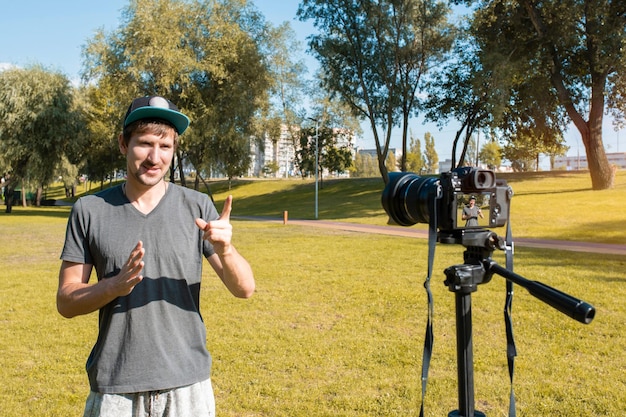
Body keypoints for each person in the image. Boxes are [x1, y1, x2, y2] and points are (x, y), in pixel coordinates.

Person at [57, 96, 255, 417]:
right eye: (145, 143)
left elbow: (244, 288)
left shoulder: (198, 206)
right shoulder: (89, 210)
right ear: (123, 143)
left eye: (165, 147)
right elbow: (66, 301)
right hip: (115, 389)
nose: (154, 157)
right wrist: (114, 286)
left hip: (187, 387)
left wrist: (226, 249)